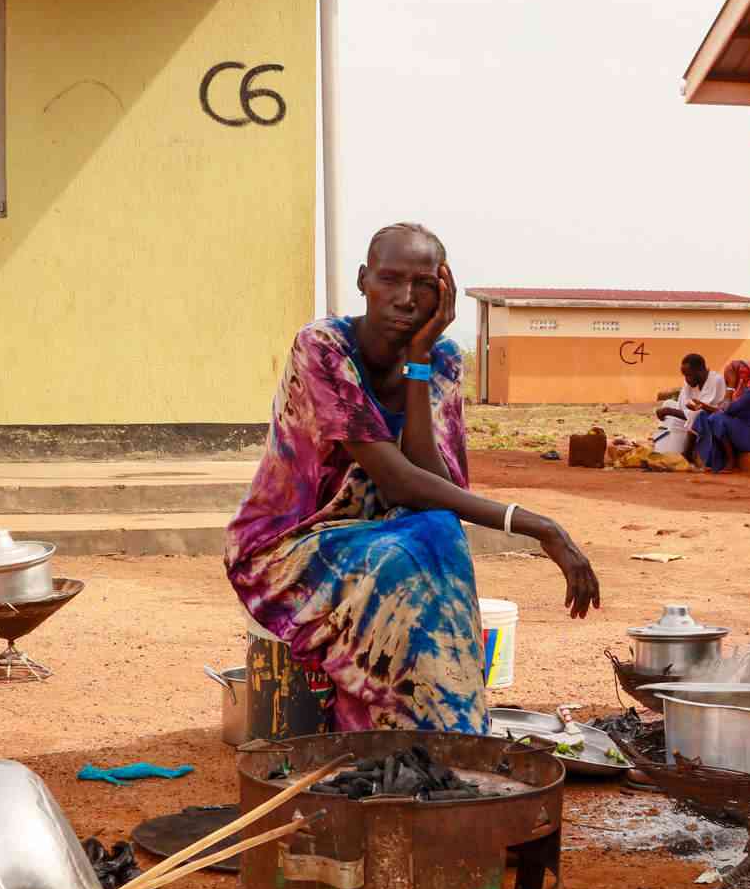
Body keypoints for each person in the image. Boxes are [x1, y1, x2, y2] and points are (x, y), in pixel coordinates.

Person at [224, 223, 601, 734]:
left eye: (423, 284)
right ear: (363, 280)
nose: (405, 298)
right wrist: (539, 526)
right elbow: (399, 481)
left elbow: (429, 476)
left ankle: (449, 740)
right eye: (390, 279)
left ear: (442, 293)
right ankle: (392, 730)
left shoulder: (441, 358)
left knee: (439, 532)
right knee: (409, 553)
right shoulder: (323, 348)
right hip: (291, 544)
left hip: (390, 531)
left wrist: (419, 361)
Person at [691, 359, 750, 473]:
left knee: (716, 419)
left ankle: (731, 461)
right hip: (747, 433)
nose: (727, 383)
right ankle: (710, 461)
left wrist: (731, 386)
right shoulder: (741, 393)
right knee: (703, 416)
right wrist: (703, 407)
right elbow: (724, 410)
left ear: (738, 376)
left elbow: (726, 410)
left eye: (728, 379)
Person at [651, 354, 728, 459]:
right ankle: (662, 445)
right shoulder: (690, 382)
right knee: (668, 403)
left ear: (700, 371)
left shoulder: (715, 380)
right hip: (690, 418)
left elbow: (700, 411)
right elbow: (683, 406)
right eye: (685, 375)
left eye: (689, 375)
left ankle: (685, 453)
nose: (686, 379)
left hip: (708, 418)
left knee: (696, 414)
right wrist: (668, 410)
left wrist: (669, 411)